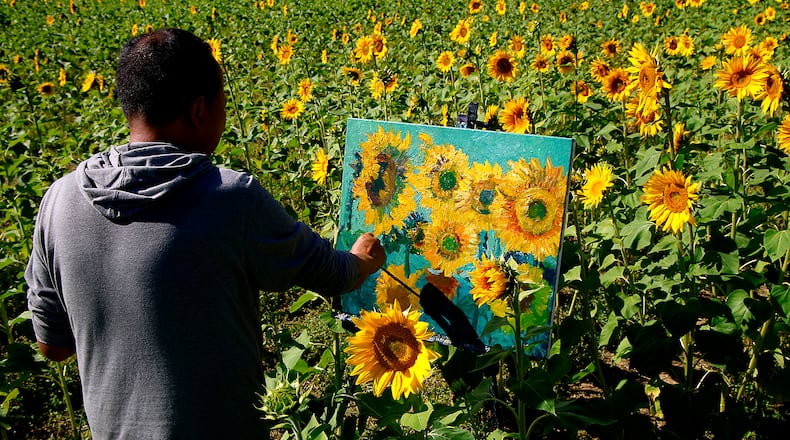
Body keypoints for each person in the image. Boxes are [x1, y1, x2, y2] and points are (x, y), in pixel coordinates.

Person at [24, 28, 385, 439]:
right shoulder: (228, 197)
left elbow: (53, 345)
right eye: (222, 104)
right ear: (199, 110)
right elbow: (332, 274)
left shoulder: (58, 200)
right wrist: (361, 258)